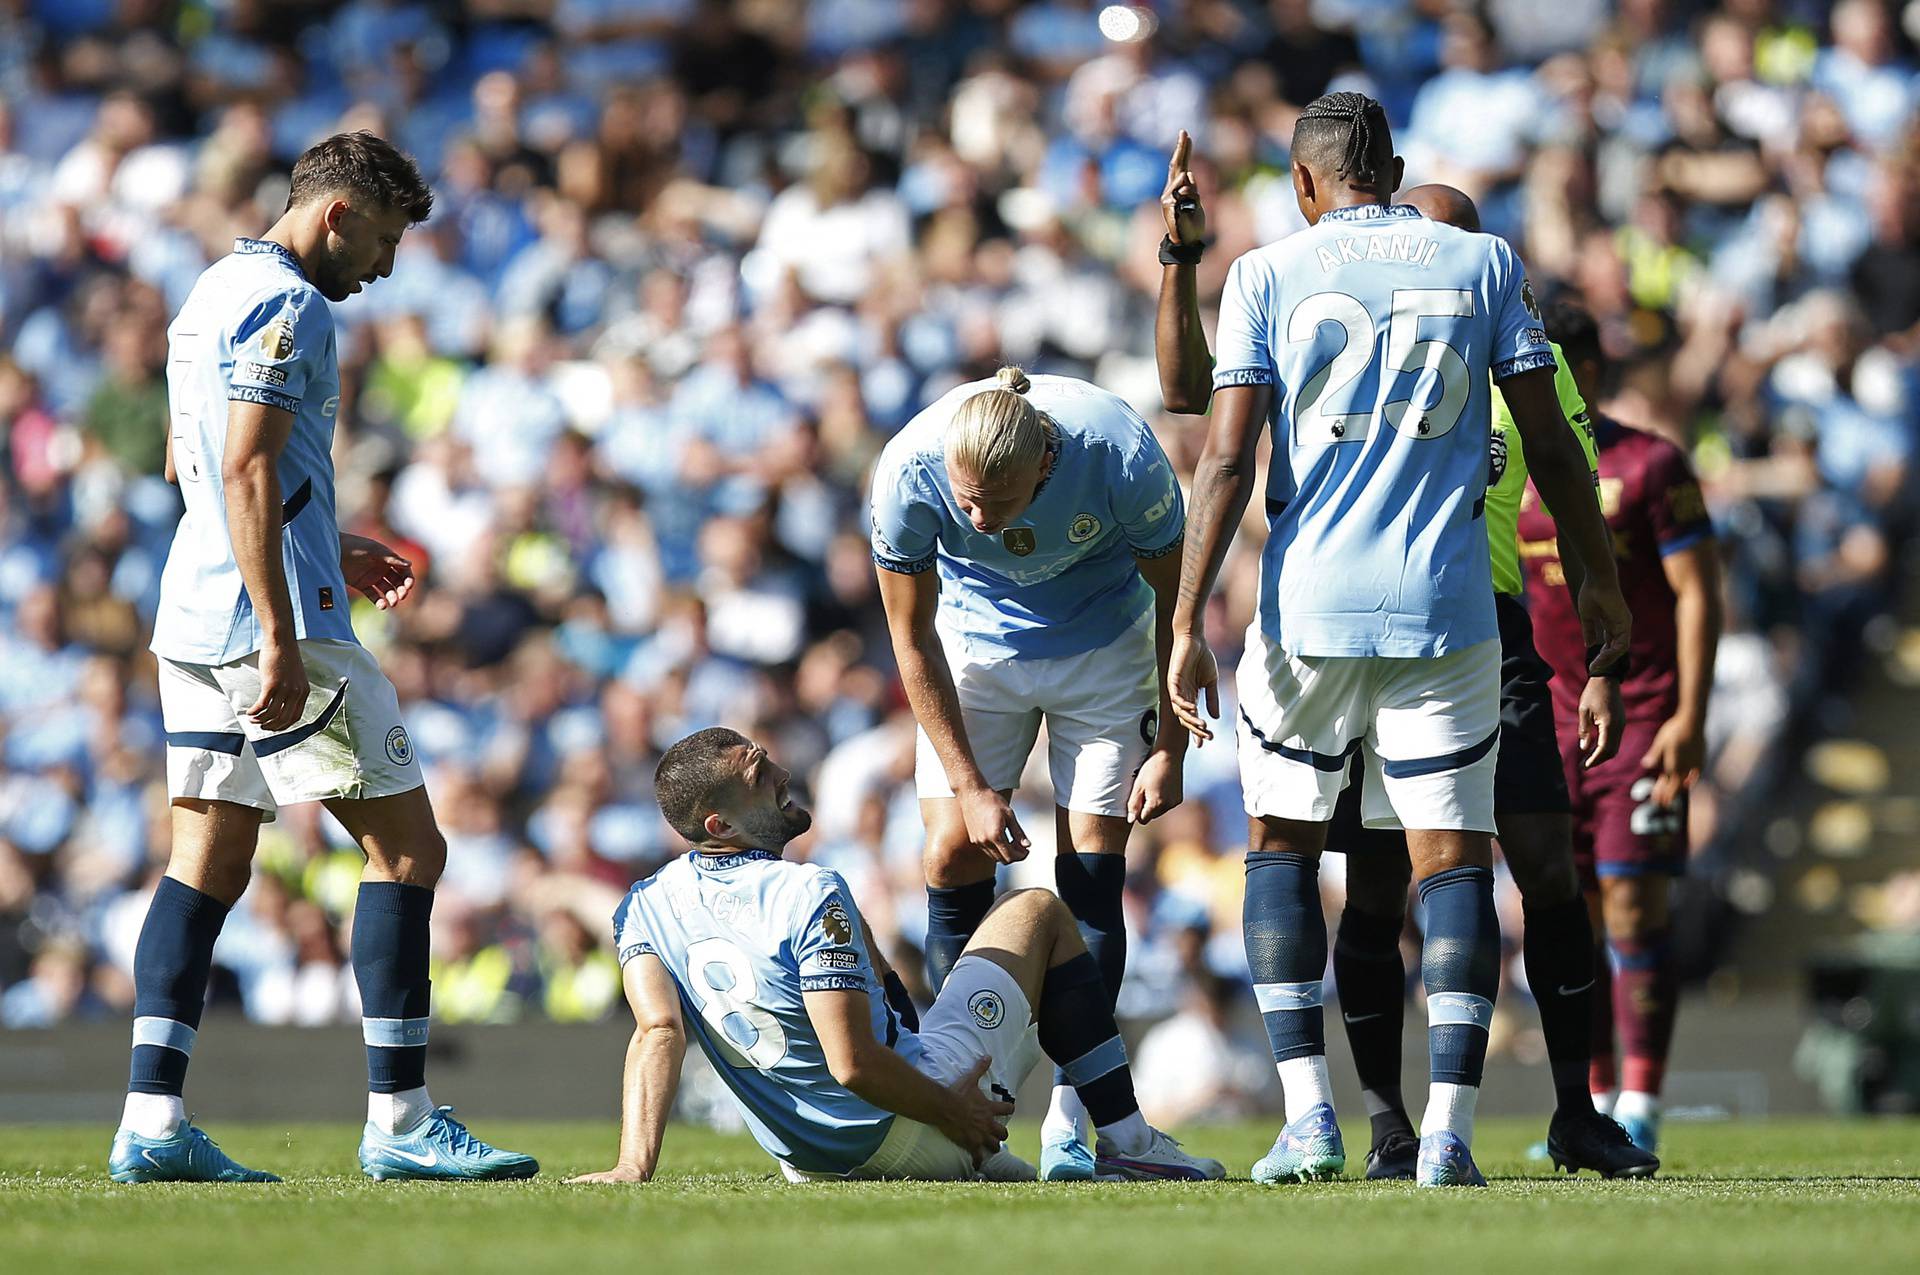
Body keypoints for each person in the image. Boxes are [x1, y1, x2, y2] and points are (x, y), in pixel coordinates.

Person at [1155, 138, 1659, 1181]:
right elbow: (1562, 461)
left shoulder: (1289, 276)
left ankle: (1502, 1112)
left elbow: (1218, 438)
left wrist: (1186, 617)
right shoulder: (1476, 282)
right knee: (1410, 875)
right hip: (1446, 619)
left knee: (1471, 863)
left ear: (1309, 182)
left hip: (1393, 619)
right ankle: (1420, 1130)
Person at [111, 132, 536, 1184]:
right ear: (337, 215)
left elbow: (191, 463)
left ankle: (150, 1123)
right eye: (384, 241)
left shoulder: (208, 290)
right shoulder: (290, 305)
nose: (385, 268)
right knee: (408, 853)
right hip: (272, 623)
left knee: (204, 862)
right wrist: (285, 623)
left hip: (191, 614)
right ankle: (402, 1119)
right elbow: (246, 466)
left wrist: (324, 534)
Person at [569, 727, 1224, 1185]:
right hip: (903, 1128)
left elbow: (657, 1032)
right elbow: (852, 1063)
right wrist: (953, 1113)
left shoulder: (644, 903)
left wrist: (634, 1164)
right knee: (1039, 912)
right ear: (721, 823)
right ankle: (1130, 1141)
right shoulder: (809, 888)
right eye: (758, 773)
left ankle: (987, 1146)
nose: (783, 774)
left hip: (807, 1155)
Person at [868, 366, 1187, 1179]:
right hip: (974, 645)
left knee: (1089, 873)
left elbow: (1177, 611)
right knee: (948, 852)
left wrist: (1171, 746)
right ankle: (965, 1086)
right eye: (964, 500)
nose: (975, 518)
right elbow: (911, 638)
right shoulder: (907, 472)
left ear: (1046, 464)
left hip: (1107, 643)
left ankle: (1079, 1122)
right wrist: (972, 785)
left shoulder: (1121, 454)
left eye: (996, 506)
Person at [1517, 302, 1723, 1156]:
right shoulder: (1507, 469)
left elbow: (1700, 593)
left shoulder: (1650, 464)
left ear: (1587, 372)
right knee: (1572, 910)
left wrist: (1689, 717)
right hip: (1546, 720)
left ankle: (1642, 1096)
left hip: (1639, 713)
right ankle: (1592, 1099)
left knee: (1635, 905)